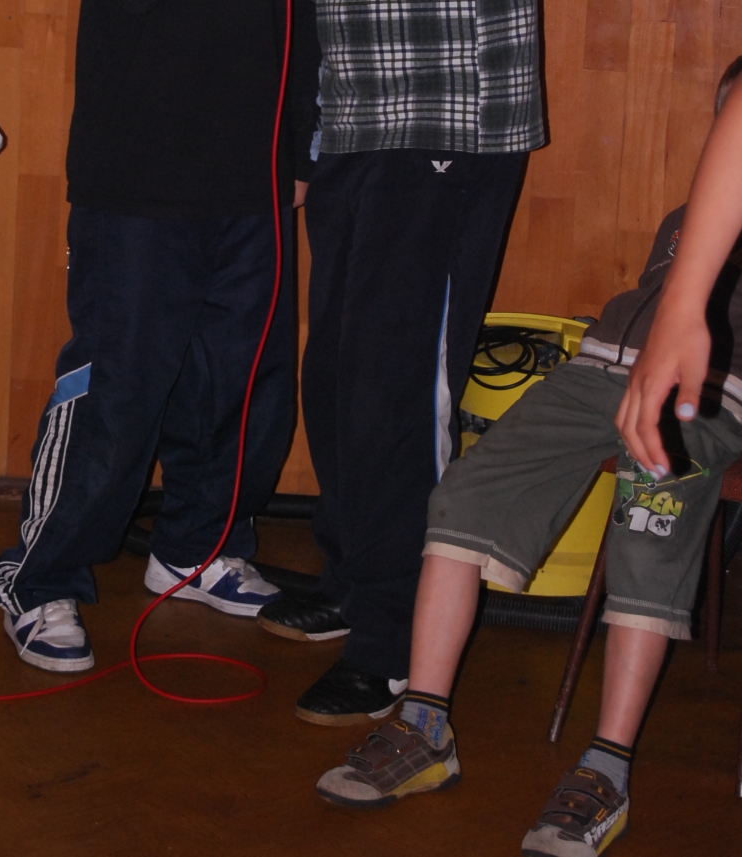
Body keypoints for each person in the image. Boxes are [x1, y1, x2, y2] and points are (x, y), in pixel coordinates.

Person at [235, 0, 544, 724]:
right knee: (339, 378)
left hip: (446, 134)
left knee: (396, 393)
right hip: (364, 128)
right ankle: (360, 581)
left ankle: (396, 646)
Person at [0, 0, 319, 672]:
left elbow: (309, 15)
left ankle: (199, 548)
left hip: (253, 179)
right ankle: (40, 574)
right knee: (119, 385)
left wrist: (302, 147)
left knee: (242, 381)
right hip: (139, 180)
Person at [312, 58, 742, 854]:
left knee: (646, 540)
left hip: (708, 395)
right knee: (462, 498)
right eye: (726, 123)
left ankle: (605, 770)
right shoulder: (689, 215)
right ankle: (424, 728)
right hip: (598, 372)